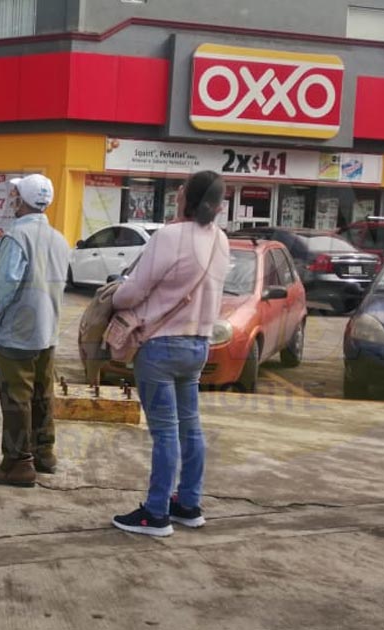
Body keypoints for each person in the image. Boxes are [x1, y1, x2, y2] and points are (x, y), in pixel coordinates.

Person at [109, 170, 231, 537]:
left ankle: (156, 512)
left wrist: (115, 295)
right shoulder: (220, 240)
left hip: (161, 345)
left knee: (164, 432)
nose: (177, 193)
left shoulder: (170, 237)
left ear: (186, 197)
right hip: (198, 344)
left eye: (181, 190)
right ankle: (188, 504)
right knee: (190, 426)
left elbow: (133, 292)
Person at [0, 174, 70, 487]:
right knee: (42, 393)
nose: (12, 198)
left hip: (19, 331)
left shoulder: (16, 236)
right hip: (48, 330)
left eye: (15, 193)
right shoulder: (59, 239)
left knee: (16, 397)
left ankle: (17, 463)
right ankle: (44, 452)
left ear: (22, 200)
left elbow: (5, 284)